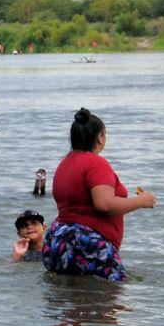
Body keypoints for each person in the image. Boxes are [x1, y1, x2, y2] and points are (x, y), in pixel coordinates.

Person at [44, 108, 155, 282]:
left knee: (73, 302)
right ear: (100, 137)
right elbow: (105, 204)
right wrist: (142, 201)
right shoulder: (96, 163)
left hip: (59, 240)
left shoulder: (64, 163)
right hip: (86, 242)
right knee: (108, 301)